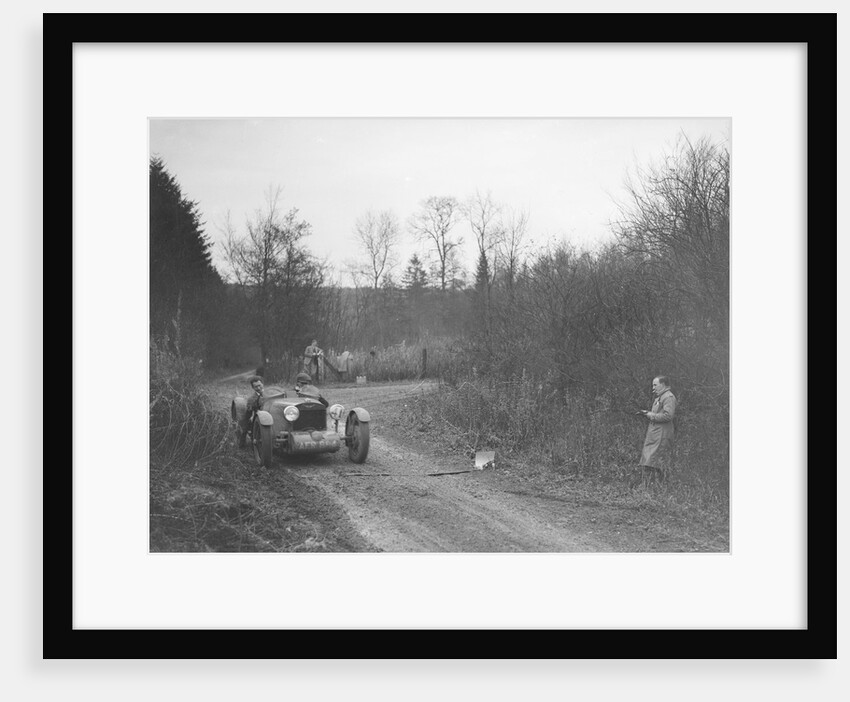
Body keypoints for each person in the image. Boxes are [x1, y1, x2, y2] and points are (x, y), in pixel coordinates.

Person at [633, 375, 677, 487]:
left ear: (663, 385)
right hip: (655, 435)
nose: (653, 388)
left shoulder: (669, 397)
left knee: (655, 463)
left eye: (655, 385)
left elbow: (668, 416)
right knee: (650, 461)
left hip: (661, 436)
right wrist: (646, 413)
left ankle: (655, 487)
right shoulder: (660, 397)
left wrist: (650, 415)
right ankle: (649, 487)